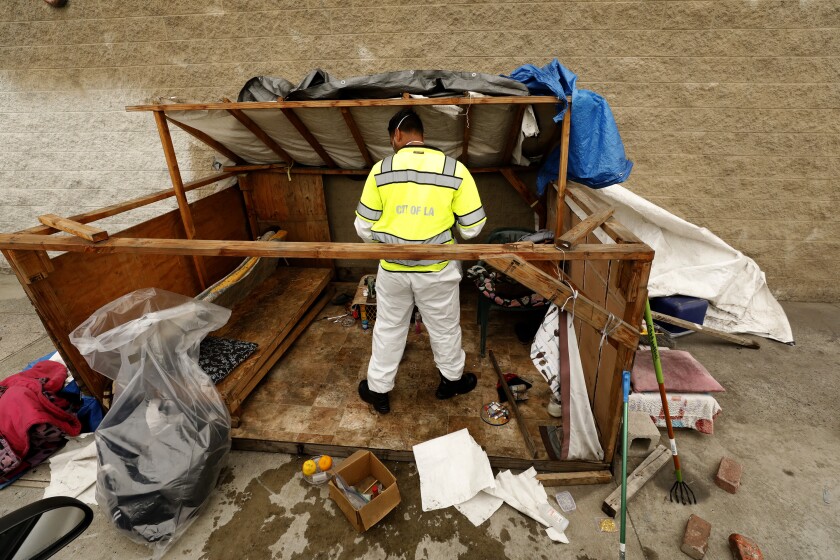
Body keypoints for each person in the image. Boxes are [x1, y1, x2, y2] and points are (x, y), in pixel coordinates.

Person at [354, 108, 487, 414]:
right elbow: (472, 228)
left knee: (388, 328)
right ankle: (451, 381)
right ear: (420, 134)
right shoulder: (455, 169)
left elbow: (363, 227)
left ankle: (378, 391)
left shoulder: (381, 170)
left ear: (397, 135)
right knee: (444, 329)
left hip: (392, 272)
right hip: (437, 271)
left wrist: (386, 242)